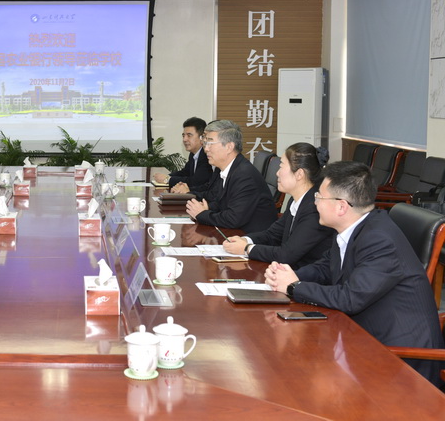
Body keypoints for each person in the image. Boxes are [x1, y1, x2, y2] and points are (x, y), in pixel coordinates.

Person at [265, 161, 444, 386]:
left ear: (341, 207)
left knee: (300, 375)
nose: (315, 202)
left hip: (400, 361)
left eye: (319, 197)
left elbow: (350, 298)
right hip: (363, 335)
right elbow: (325, 267)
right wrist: (288, 275)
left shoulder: (380, 240)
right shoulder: (355, 227)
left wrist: (293, 287)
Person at [223, 143, 336, 268]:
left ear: (299, 174)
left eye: (281, 166)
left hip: (305, 276)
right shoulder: (296, 200)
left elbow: (286, 255)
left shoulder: (315, 208)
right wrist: (245, 240)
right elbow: (272, 235)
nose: (277, 173)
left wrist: (247, 248)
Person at [181, 119, 277, 232]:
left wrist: (202, 214)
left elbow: (233, 218)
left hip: (251, 237)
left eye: (210, 143)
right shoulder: (228, 168)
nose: (206, 149)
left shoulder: (244, 175)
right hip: (235, 232)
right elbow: (220, 202)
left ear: (229, 147)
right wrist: (207, 208)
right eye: (205, 143)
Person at [152, 117, 213, 191]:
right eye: (183, 135)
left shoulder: (207, 155)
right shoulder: (193, 154)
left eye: (189, 135)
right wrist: (166, 176)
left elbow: (195, 182)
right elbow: (185, 172)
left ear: (202, 137)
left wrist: (167, 179)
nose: (184, 139)